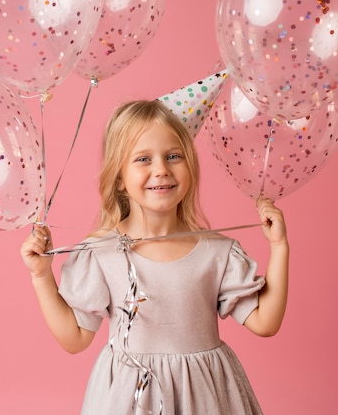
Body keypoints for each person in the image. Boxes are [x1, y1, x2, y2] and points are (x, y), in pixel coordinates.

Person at [20, 99, 289, 415]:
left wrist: (280, 247)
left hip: (205, 396)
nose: (161, 169)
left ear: (190, 166)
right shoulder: (101, 252)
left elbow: (265, 323)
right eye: (143, 159)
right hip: (128, 398)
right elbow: (75, 338)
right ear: (119, 176)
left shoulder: (218, 253)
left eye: (174, 156)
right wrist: (41, 276)